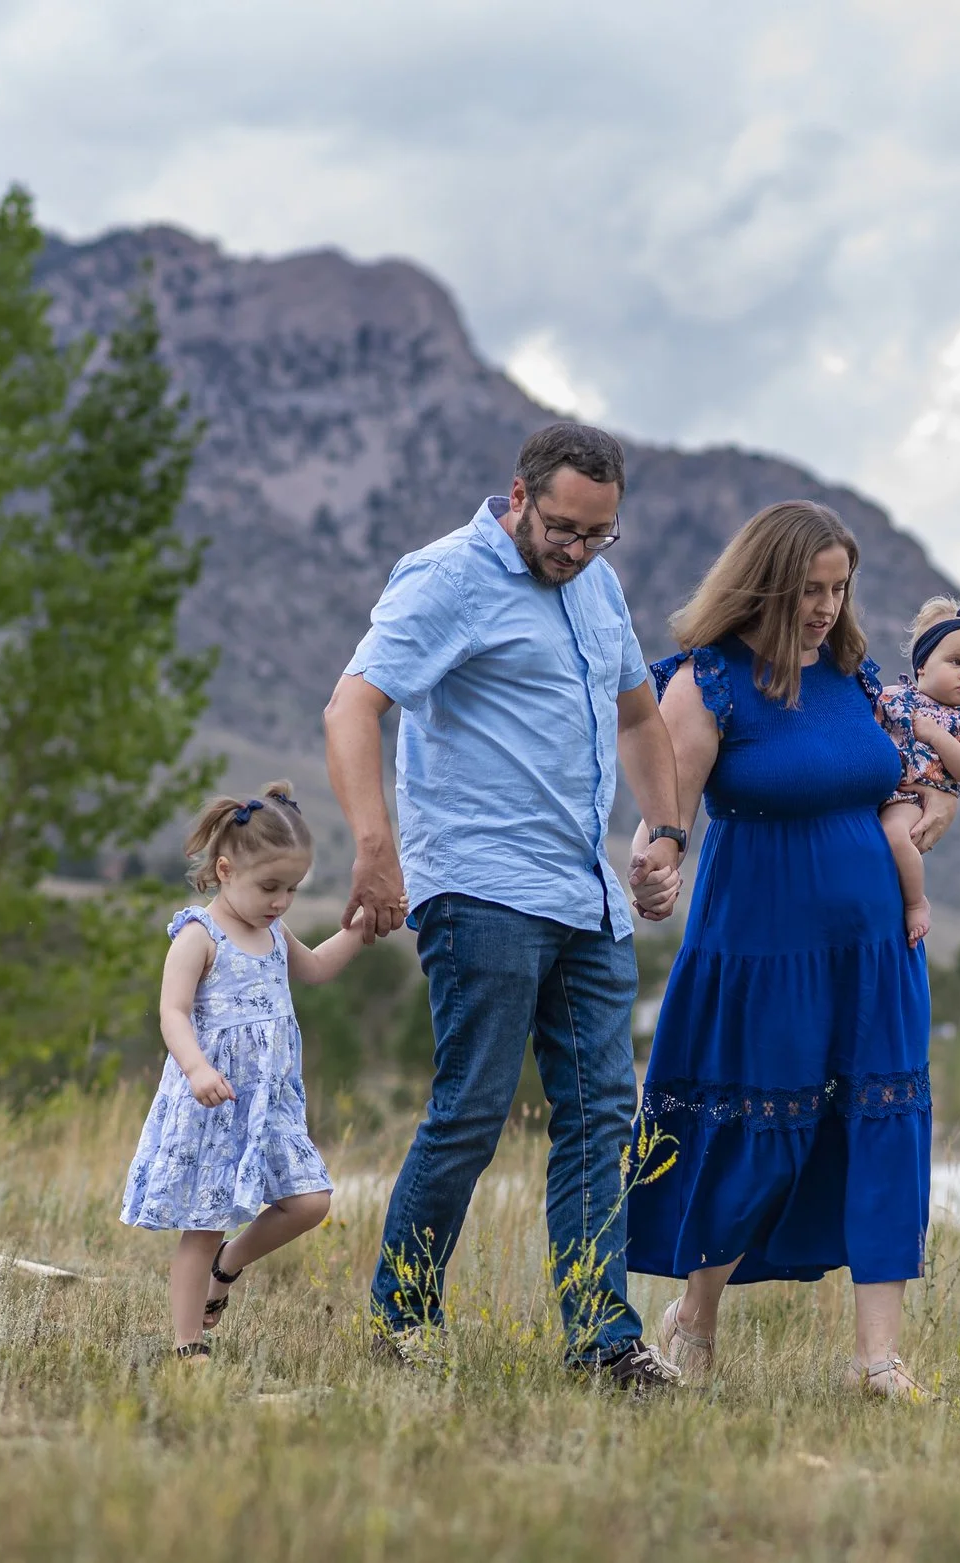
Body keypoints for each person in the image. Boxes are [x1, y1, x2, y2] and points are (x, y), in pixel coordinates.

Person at [324, 421, 690, 1392]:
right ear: (519, 497)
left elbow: (641, 713)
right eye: (564, 530)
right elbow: (352, 706)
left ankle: (601, 1341)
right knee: (475, 1110)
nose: (576, 552)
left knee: (602, 1121)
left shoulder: (597, 587)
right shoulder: (446, 576)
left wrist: (664, 833)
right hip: (480, 889)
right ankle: (402, 1316)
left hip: (586, 897)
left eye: (598, 536)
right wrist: (374, 850)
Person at [625, 500, 946, 1401]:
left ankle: (877, 1360)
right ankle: (695, 1316)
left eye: (839, 589)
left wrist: (929, 810)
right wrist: (656, 863)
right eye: (809, 589)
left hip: (874, 948)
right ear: (764, 582)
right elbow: (667, 809)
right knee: (756, 1133)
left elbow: (903, 782)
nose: (825, 607)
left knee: (881, 1130)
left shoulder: (856, 677)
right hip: (761, 945)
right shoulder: (709, 680)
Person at [121, 784, 365, 1362]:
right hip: (213, 1101)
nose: (281, 901)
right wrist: (197, 1067)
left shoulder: (275, 933)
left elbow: (318, 969)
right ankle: (188, 1345)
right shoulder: (197, 937)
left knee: (310, 1202)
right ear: (225, 870)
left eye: (291, 889)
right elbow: (172, 1013)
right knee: (202, 1223)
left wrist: (361, 931)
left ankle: (225, 1269)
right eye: (269, 887)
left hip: (269, 1101)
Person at [876, 596, 960, 946]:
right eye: (956, 661)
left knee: (895, 836)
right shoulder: (890, 697)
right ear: (922, 666)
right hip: (874, 788)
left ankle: (916, 903)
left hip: (910, 796)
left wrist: (936, 736)